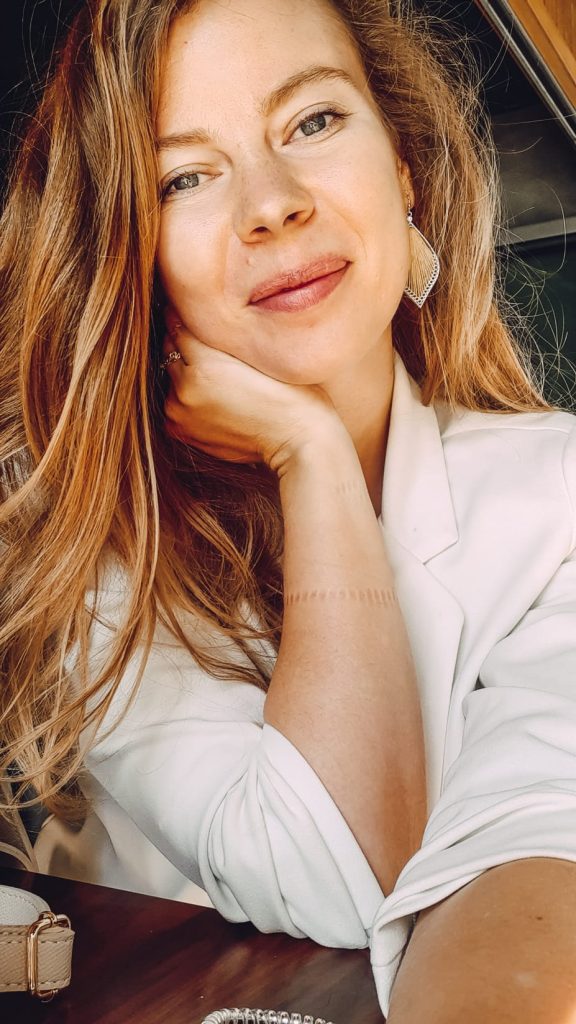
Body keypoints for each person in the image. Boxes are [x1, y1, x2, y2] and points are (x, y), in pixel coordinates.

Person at [1, 0, 575, 1019]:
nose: (271, 205)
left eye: (313, 121)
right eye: (185, 177)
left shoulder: (555, 490)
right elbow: (339, 878)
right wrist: (312, 457)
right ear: (135, 253)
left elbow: (540, 845)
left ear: (403, 167)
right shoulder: (103, 561)